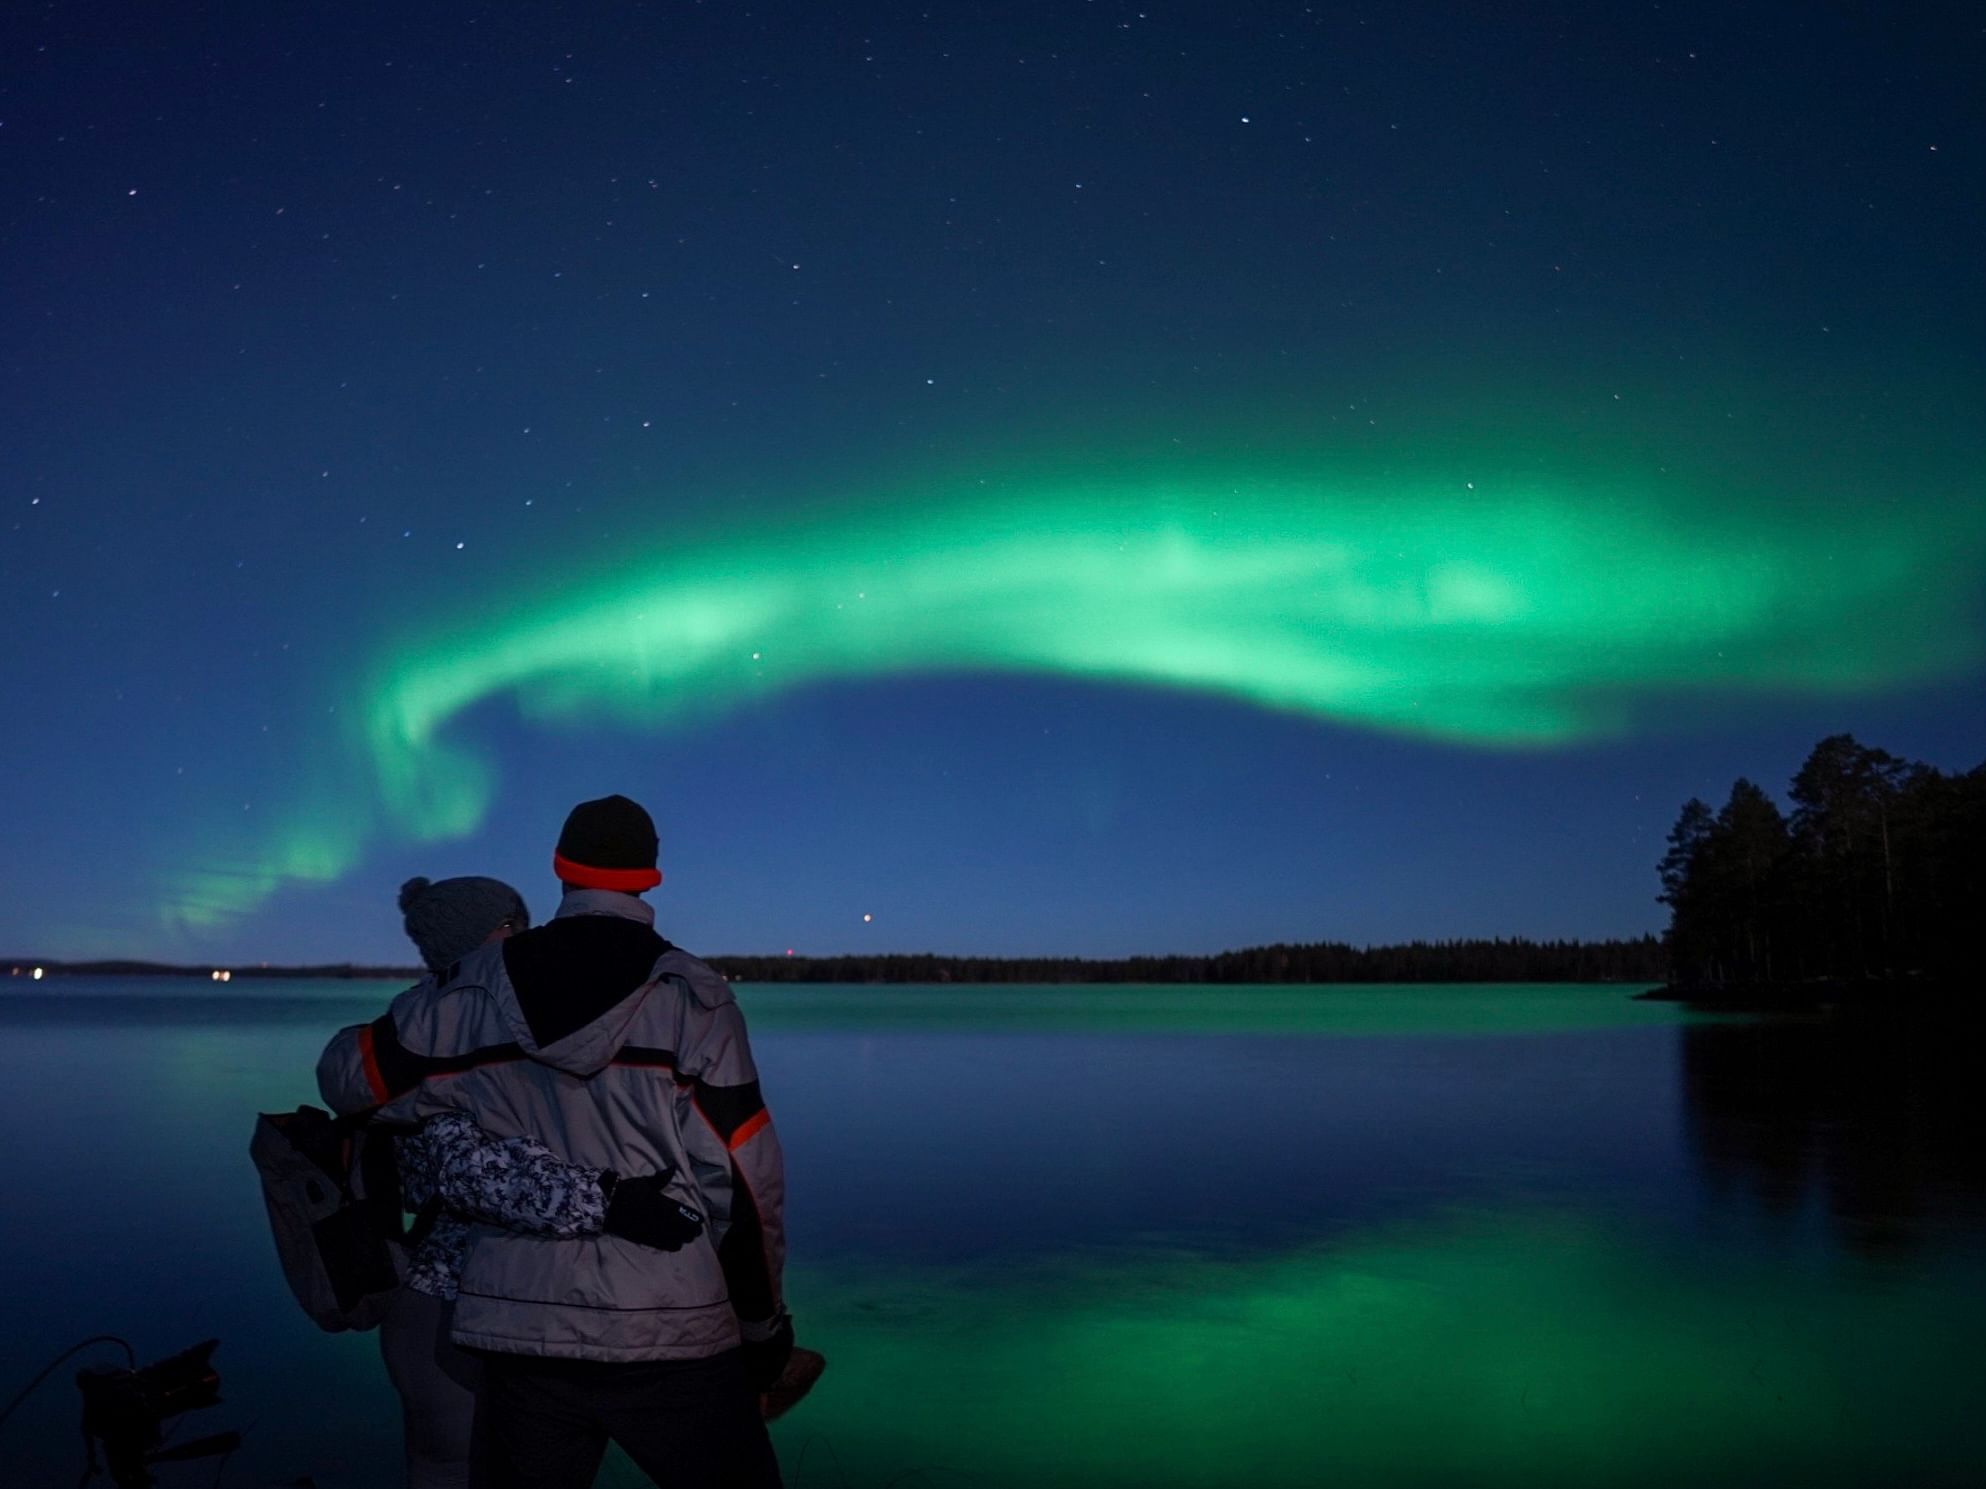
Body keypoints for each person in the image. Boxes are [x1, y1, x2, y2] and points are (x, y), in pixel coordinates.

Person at [366, 795, 789, 1489]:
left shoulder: (459, 1010)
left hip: (513, 1326)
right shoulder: (691, 997)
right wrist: (759, 1322)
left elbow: (353, 1077)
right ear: (649, 876)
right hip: (620, 1325)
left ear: (560, 869)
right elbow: (745, 1182)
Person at [318, 875, 707, 1489]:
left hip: (496, 1312)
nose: (530, 940)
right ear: (490, 935)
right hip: (448, 1318)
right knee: (452, 1471)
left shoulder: (465, 1023)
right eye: (516, 927)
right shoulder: (429, 1036)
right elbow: (465, 1169)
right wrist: (608, 1200)